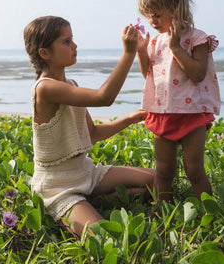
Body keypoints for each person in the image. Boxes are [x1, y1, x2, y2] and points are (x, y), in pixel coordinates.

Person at [23, 16, 154, 237]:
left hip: (85, 172)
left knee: (158, 180)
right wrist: (128, 53)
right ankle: (78, 207)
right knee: (106, 238)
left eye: (72, 39)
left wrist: (129, 119)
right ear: (44, 53)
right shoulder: (45, 88)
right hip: (57, 187)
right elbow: (104, 97)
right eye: (66, 42)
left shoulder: (71, 84)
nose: (74, 46)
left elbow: (92, 133)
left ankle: (90, 200)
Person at [136, 0, 221, 202]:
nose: (152, 21)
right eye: (148, 15)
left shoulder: (197, 39)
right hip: (163, 113)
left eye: (157, 14)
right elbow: (148, 73)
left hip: (192, 114)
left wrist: (175, 47)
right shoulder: (155, 42)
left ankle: (208, 213)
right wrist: (140, 52)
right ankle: (161, 211)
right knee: (163, 171)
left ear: (176, 7)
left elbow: (198, 73)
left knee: (194, 170)